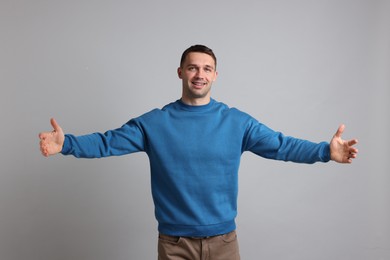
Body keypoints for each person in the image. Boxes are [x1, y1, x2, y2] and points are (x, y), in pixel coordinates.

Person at [39, 44, 358, 260]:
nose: (199, 74)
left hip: (224, 241)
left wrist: (324, 151)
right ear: (180, 72)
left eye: (207, 68)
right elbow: (108, 142)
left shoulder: (237, 122)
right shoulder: (154, 123)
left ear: (215, 75)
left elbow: (280, 145)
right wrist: (66, 144)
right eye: (192, 67)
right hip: (174, 244)